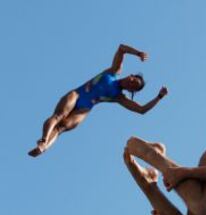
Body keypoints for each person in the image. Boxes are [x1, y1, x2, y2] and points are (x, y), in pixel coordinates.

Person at [28, 44, 168, 157]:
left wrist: (159, 97)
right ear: (130, 75)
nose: (131, 83)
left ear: (131, 91)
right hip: (77, 94)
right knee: (58, 116)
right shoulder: (113, 71)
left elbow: (141, 110)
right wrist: (138, 53)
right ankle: (43, 140)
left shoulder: (119, 97)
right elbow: (121, 48)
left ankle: (44, 148)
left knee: (61, 128)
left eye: (134, 86)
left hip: (85, 108)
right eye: (133, 80)